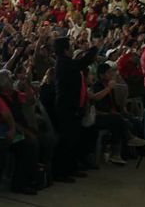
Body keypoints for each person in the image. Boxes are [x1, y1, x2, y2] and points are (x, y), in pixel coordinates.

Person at [52, 37, 97, 182]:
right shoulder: (63, 63)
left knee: (74, 139)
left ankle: (71, 168)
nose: (72, 48)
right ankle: (60, 172)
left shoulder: (66, 62)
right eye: (70, 46)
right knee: (66, 140)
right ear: (65, 49)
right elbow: (83, 62)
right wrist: (94, 48)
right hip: (66, 107)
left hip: (73, 106)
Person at [90, 64, 145, 165]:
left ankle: (133, 152)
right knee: (119, 120)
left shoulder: (112, 85)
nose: (111, 74)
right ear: (101, 75)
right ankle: (121, 148)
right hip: (101, 115)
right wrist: (108, 88)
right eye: (108, 72)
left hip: (113, 113)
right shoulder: (97, 86)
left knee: (134, 121)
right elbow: (97, 102)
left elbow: (116, 104)